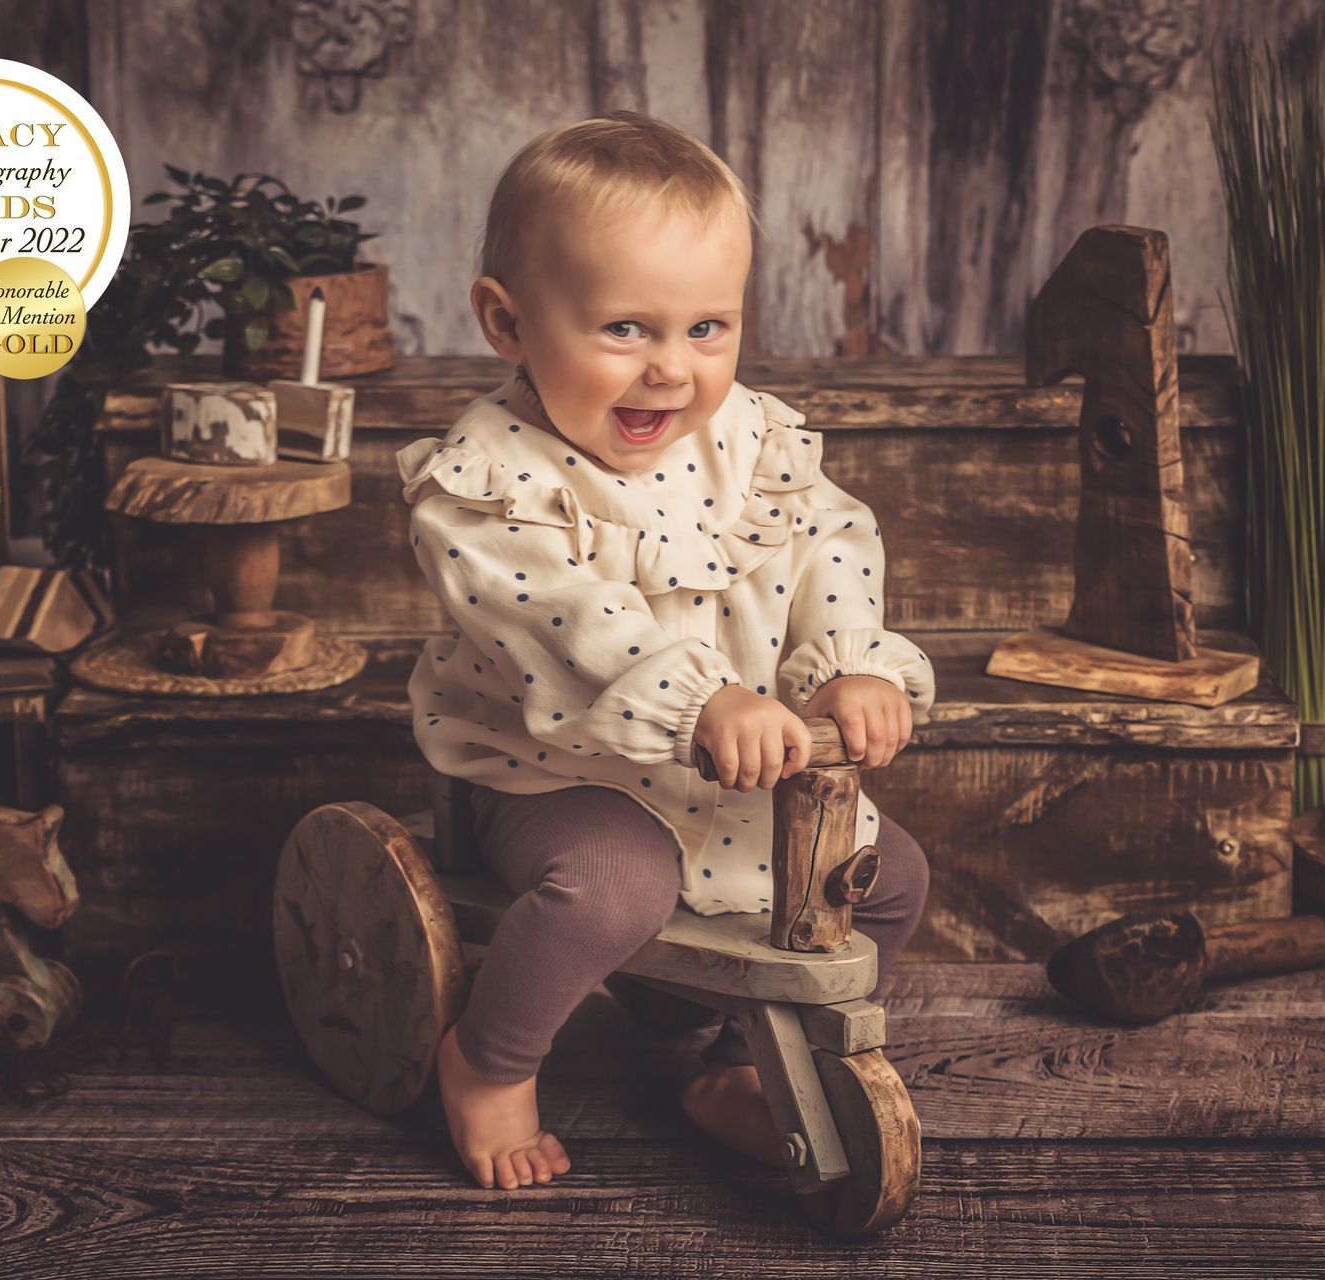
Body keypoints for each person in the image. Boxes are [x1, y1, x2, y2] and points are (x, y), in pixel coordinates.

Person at [397, 110, 936, 1192]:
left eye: (706, 328)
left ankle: (737, 1068)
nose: (670, 372)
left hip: (733, 767)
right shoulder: (488, 481)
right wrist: (703, 699)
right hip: (553, 768)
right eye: (625, 329)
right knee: (612, 883)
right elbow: (565, 615)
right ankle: (490, 1060)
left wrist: (848, 662)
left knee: (885, 879)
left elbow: (831, 531)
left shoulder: (751, 439)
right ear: (507, 322)